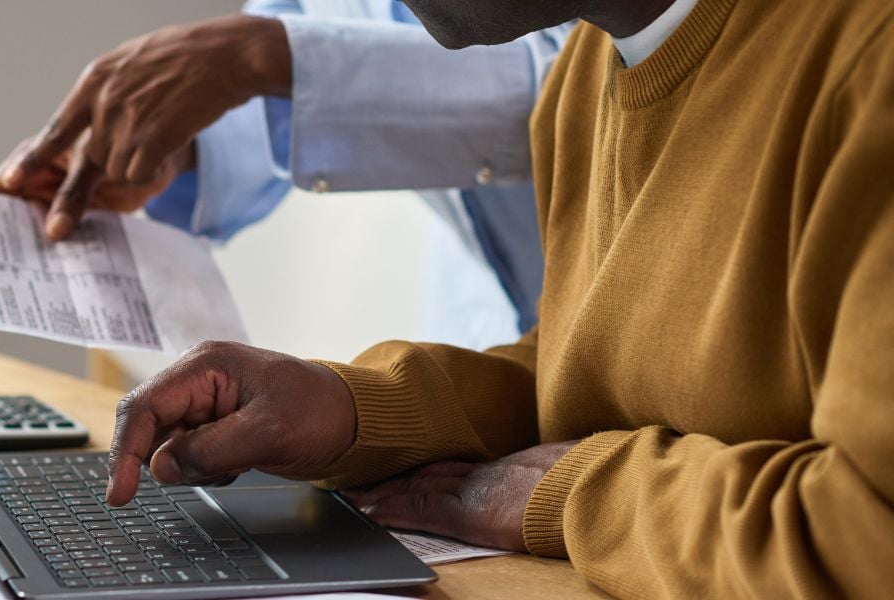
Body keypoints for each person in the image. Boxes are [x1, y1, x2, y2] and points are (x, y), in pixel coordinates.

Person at [84, 0, 892, 596]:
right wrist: (351, 408)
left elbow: (871, 535)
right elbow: (600, 365)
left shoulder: (869, 60)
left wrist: (577, 494)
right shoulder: (586, 74)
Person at [0, 2, 573, 342]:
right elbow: (298, 24)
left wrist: (263, 57)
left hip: (638, 316)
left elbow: (602, 81)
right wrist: (183, 141)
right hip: (482, 327)